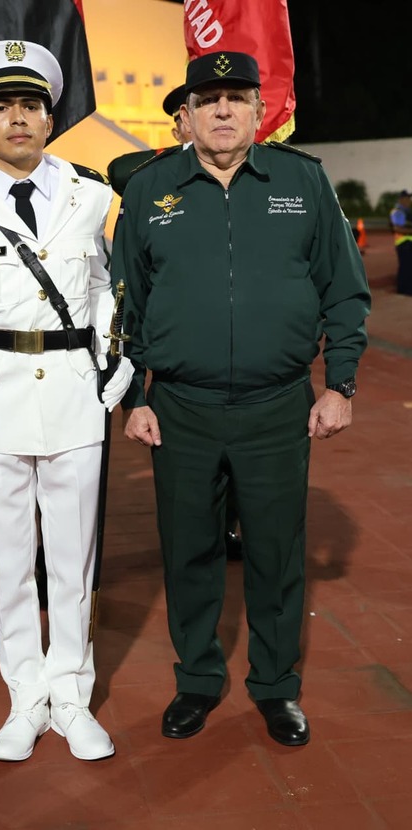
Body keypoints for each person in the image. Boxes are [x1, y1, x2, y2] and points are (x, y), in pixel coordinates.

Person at [111, 51, 370, 747]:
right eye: (208, 100)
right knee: (188, 551)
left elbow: (344, 290)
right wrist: (134, 397)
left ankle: (275, 686)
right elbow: (124, 301)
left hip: (276, 407)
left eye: (236, 98)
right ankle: (197, 680)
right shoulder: (149, 188)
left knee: (276, 554)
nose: (222, 110)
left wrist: (339, 383)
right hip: (180, 409)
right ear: (186, 115)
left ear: (260, 112)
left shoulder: (302, 181)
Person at [0, 40, 133, 763]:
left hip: (74, 401)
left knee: (74, 564)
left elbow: (106, 291)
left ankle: (71, 697)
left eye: (31, 106)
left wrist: (116, 365)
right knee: (8, 566)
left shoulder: (90, 196)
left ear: (49, 119)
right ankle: (25, 698)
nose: (17, 118)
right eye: (1, 107)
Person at [108, 86, 245, 562]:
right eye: (196, 111)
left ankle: (230, 526)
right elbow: (118, 169)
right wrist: (190, 151)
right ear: (179, 123)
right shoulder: (155, 177)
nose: (214, 115)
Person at [389, 189, 412, 295]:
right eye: (407, 198)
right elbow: (397, 229)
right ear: (402, 199)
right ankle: (404, 289)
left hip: (408, 243)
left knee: (408, 267)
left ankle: (406, 288)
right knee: (405, 267)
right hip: (403, 243)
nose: (409, 200)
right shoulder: (398, 212)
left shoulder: (406, 211)